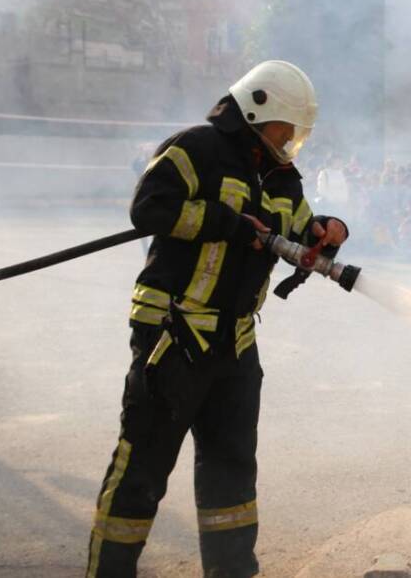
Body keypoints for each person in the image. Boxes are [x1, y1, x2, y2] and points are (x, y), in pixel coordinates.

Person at [86, 61, 349, 578]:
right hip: (174, 335)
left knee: (231, 478)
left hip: (236, 346)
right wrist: (226, 224)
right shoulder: (196, 148)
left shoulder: (282, 177)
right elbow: (149, 208)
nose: (291, 139)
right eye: (284, 127)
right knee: (141, 471)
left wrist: (325, 229)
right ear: (258, 110)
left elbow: (298, 228)